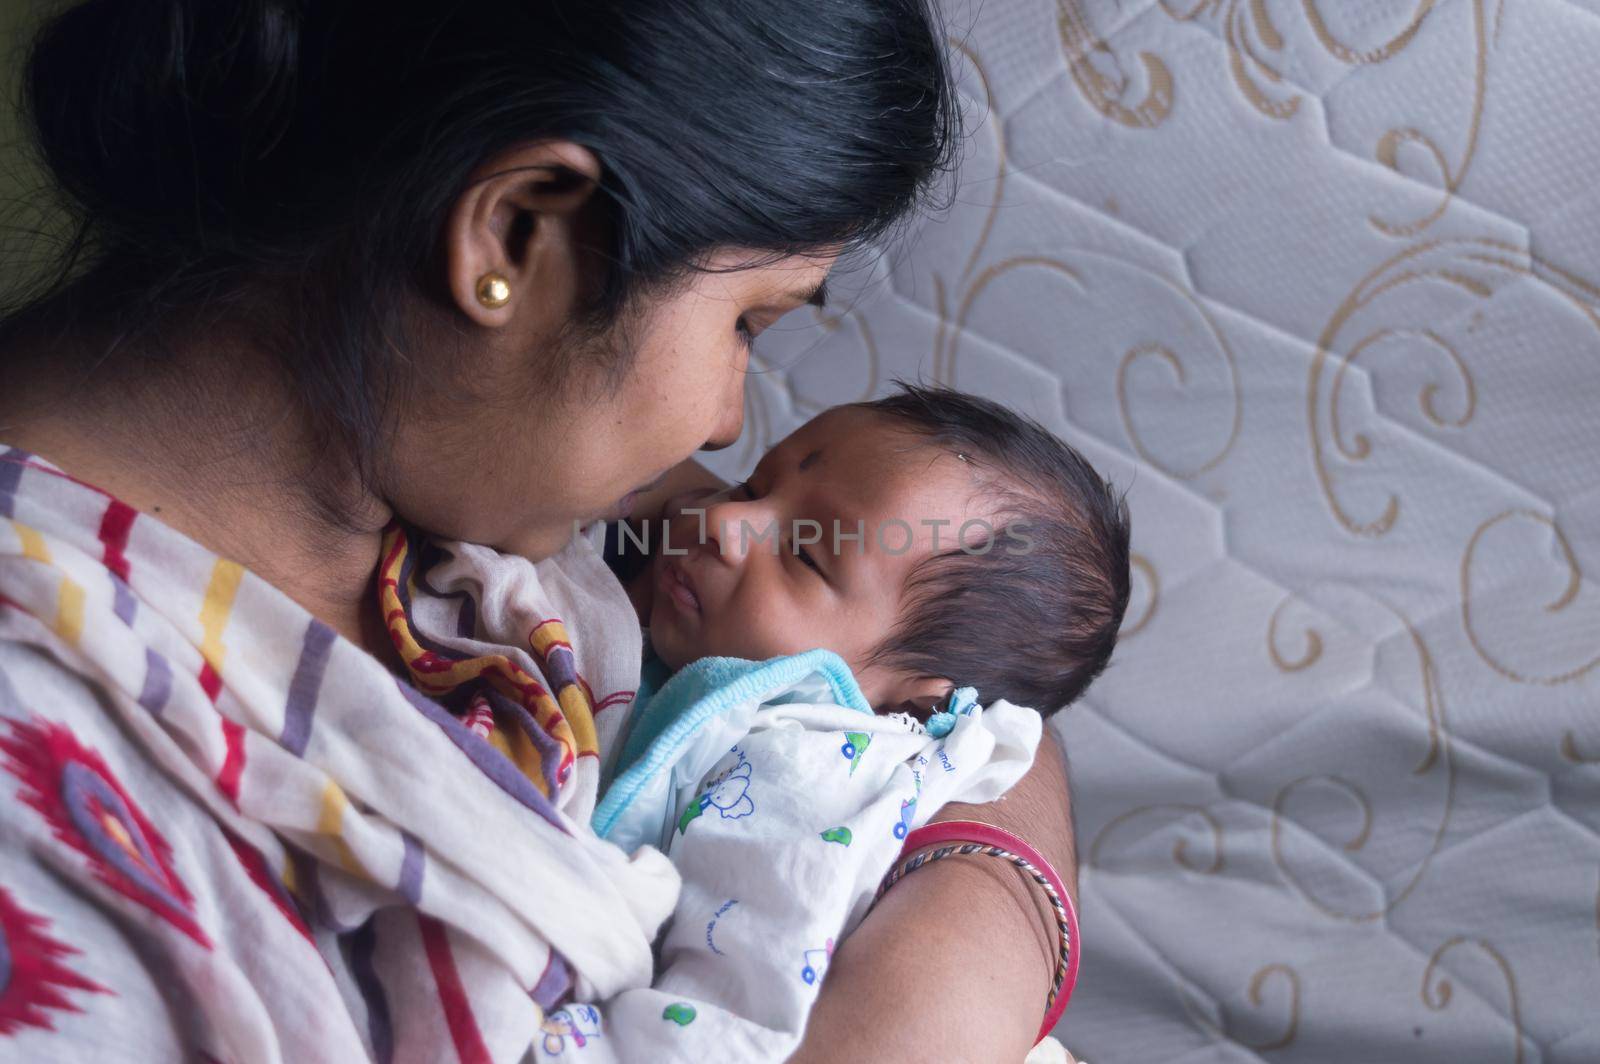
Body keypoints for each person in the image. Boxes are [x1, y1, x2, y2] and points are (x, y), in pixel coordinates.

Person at [0, 2, 1079, 1061]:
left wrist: (973, 929)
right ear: (516, 232)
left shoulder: (454, 451)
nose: (722, 428)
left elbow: (951, 635)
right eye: (746, 321)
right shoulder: (57, 817)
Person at [526, 385, 1128, 1060]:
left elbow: (726, 1021)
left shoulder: (799, 777)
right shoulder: (700, 640)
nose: (724, 522)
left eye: (806, 557)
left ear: (912, 698)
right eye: (756, 484)